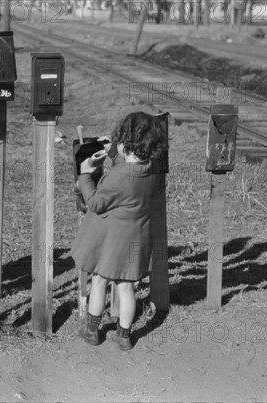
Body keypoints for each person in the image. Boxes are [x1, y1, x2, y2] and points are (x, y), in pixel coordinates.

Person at [71, 111, 168, 350]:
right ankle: (124, 336)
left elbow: (95, 203)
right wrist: (114, 152)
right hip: (136, 239)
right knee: (126, 287)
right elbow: (129, 170)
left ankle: (92, 330)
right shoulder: (151, 168)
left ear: (126, 142)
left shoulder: (117, 176)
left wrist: (85, 174)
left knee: (100, 280)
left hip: (111, 241)